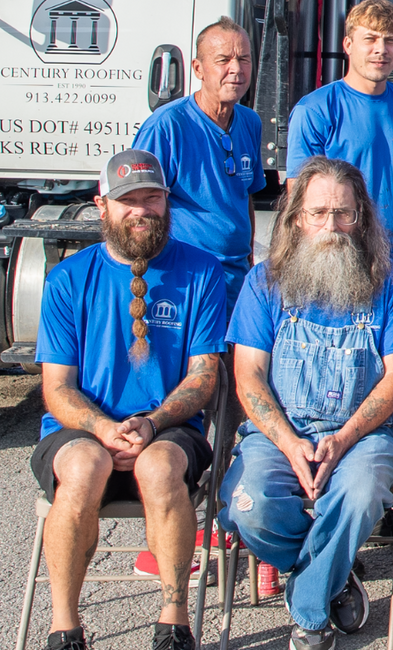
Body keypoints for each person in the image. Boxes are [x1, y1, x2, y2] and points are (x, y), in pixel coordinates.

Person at [217, 157, 393, 650]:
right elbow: (247, 376)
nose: (331, 226)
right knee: (249, 506)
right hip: (278, 433)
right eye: (318, 213)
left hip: (362, 436)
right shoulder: (263, 283)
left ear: (363, 217)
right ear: (294, 219)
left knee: (359, 495)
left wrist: (344, 438)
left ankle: (309, 612)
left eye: (343, 213)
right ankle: (331, 566)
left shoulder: (391, 284)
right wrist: (289, 443)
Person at [33, 151, 226, 650]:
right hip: (83, 429)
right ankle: (64, 628)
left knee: (159, 469)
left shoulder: (201, 272)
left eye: (152, 198)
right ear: (102, 206)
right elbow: (57, 387)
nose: (141, 210)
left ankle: (173, 623)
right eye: (128, 200)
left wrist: (152, 422)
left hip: (167, 427)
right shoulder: (68, 279)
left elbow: (204, 376)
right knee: (83, 468)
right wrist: (102, 429)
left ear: (167, 203)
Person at [285, 0, 393, 292]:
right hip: (339, 272)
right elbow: (300, 203)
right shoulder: (316, 110)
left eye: (390, 40)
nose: (381, 49)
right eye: (370, 39)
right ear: (348, 44)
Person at [136, 17, 262, 304]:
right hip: (184, 280)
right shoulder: (166, 127)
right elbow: (140, 205)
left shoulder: (250, 122)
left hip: (235, 278)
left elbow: (245, 197)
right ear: (198, 69)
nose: (236, 69)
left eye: (244, 59)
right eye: (223, 60)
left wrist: (249, 255)